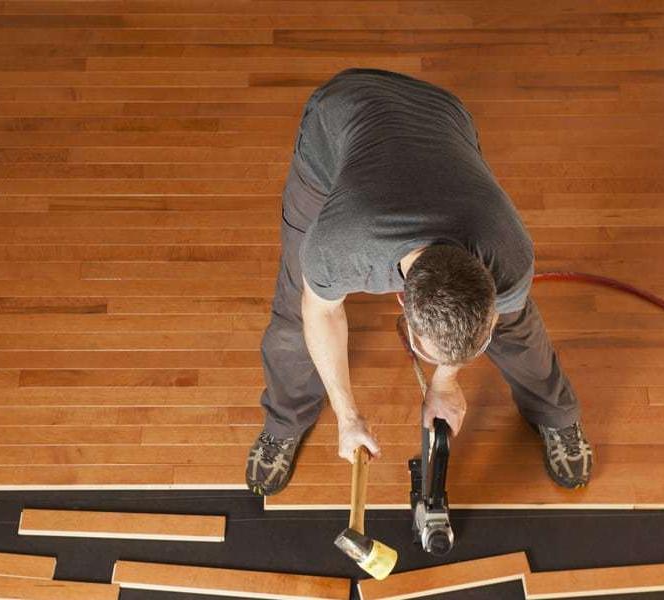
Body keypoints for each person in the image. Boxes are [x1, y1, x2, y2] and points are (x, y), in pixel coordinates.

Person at [245, 68, 593, 497]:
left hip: (438, 112)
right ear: (402, 306)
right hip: (340, 114)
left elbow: (485, 324)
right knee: (295, 308)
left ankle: (556, 414)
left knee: (517, 321)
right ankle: (283, 421)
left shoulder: (506, 251)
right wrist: (347, 416)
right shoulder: (342, 244)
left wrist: (445, 383)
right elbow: (320, 312)